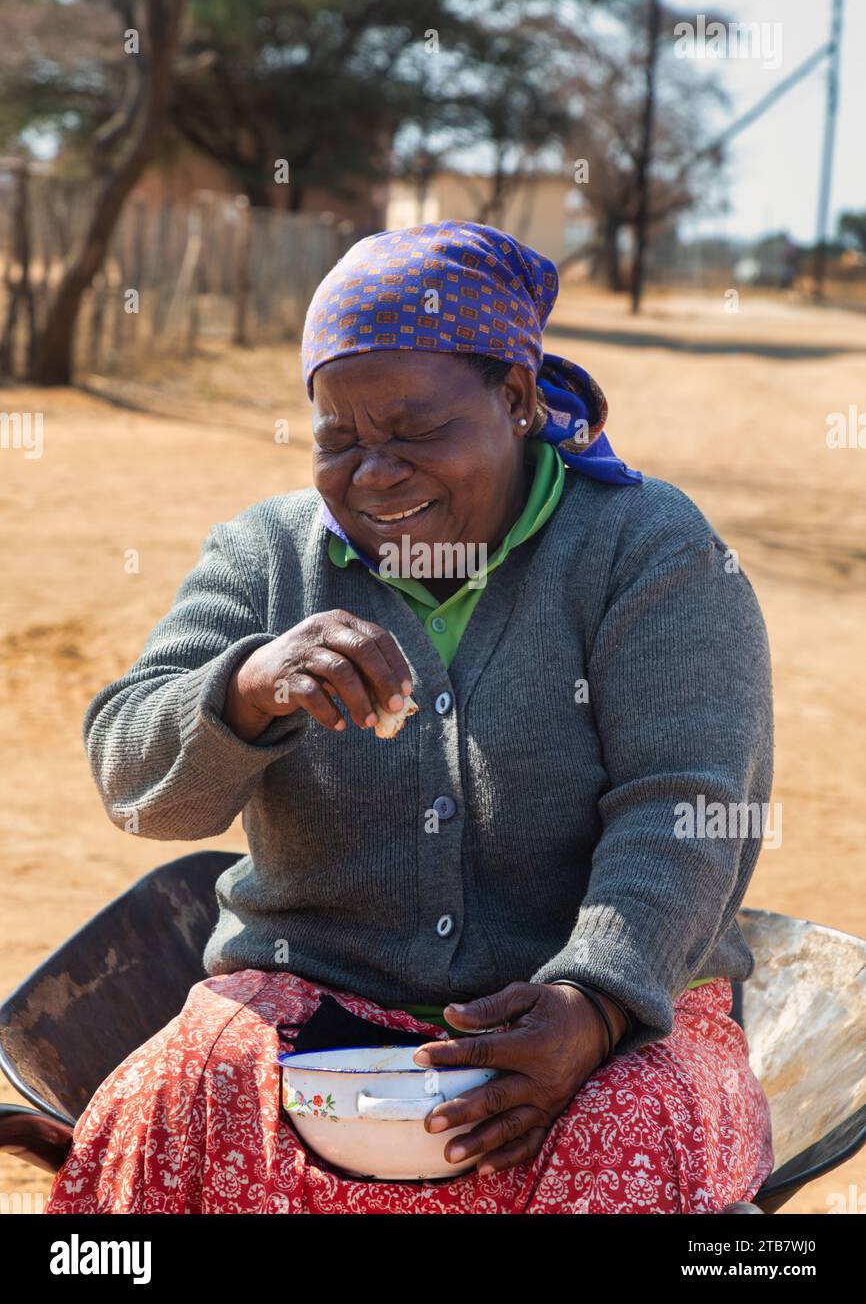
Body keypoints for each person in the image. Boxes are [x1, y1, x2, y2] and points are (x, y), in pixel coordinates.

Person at [45, 220, 773, 1214]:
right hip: (318, 997)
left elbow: (683, 805)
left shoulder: (645, 551)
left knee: (617, 1143)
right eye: (338, 440)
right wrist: (246, 686)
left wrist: (594, 1000)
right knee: (175, 1097)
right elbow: (134, 782)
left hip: (607, 1017)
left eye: (415, 431)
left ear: (515, 399)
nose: (375, 473)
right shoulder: (268, 557)